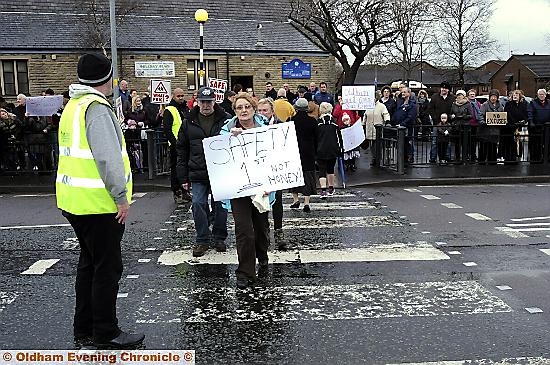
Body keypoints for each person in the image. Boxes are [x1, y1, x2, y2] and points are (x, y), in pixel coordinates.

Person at [56, 53, 144, 349]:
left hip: (74, 201)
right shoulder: (97, 108)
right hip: (98, 203)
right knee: (107, 268)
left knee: (89, 265)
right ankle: (106, 331)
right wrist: (121, 198)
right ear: (108, 78)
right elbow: (108, 158)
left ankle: (84, 329)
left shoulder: (73, 105)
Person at [219, 92, 275, 289]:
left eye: (247, 107)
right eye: (239, 107)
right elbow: (220, 158)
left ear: (253, 109)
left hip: (261, 187)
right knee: (244, 230)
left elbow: (274, 159)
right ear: (234, 111)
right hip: (238, 188)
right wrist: (230, 140)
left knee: (260, 228)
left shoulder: (266, 129)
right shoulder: (226, 131)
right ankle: (245, 272)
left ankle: (262, 254)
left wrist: (271, 184)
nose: (243, 111)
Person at [176, 86, 230, 257]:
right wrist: (182, 177)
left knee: (221, 206)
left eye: (209, 102)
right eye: (203, 102)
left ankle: (219, 237)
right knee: (198, 203)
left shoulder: (226, 120)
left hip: (220, 172)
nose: (206, 105)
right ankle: (202, 239)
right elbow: (181, 151)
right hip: (197, 171)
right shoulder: (187, 122)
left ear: (214, 101)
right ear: (197, 102)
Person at [256, 98, 285, 249]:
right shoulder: (254, 126)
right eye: (259, 111)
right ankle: (264, 232)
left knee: (277, 201)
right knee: (262, 201)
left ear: (272, 111)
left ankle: (279, 232)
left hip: (276, 169)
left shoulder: (280, 125)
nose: (261, 114)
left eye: (265, 111)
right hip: (260, 171)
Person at [289, 98, 317, 212]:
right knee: (308, 176)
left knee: (295, 175)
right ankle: (306, 202)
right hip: (309, 151)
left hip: (294, 151)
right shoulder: (312, 121)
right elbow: (316, 137)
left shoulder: (291, 120)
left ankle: (295, 199)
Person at [163, 88, 189, 204]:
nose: (181, 98)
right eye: (178, 96)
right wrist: (175, 143)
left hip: (185, 144)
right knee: (175, 169)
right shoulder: (169, 110)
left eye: (182, 96)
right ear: (173, 96)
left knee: (185, 169)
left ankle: (185, 191)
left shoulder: (185, 108)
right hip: (176, 145)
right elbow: (167, 129)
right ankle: (177, 192)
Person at [316, 102, 343, 198]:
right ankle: (331, 187)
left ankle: (323, 190)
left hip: (320, 149)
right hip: (333, 149)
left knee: (322, 170)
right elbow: (339, 138)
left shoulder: (318, 123)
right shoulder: (334, 123)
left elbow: (315, 138)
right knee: (330, 169)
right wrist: (341, 149)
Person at [428, 81, 455, 163]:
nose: (444, 90)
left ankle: (447, 157)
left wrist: (450, 118)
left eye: (446, 88)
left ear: (448, 90)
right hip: (437, 123)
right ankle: (433, 158)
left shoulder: (452, 98)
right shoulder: (434, 97)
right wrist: (435, 118)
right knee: (435, 141)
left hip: (448, 124)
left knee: (447, 142)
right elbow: (430, 109)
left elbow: (454, 109)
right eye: (443, 88)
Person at [363, 90, 390, 165]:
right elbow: (365, 115)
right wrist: (363, 123)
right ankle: (374, 158)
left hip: (377, 129)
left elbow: (386, 114)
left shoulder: (381, 106)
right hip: (369, 128)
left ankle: (377, 158)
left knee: (377, 145)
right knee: (371, 145)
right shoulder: (368, 106)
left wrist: (387, 121)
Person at [391, 87, 417, 163]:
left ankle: (409, 158)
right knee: (400, 144)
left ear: (409, 93)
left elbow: (411, 117)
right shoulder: (399, 103)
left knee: (407, 143)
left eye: (405, 92)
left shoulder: (412, 104)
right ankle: (402, 159)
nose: (403, 93)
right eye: (402, 92)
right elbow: (396, 113)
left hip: (407, 128)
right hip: (398, 126)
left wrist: (402, 124)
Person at [478, 89, 504, 163]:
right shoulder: (485, 105)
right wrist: (482, 122)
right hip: (485, 130)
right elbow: (480, 115)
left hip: (495, 130)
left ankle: (492, 161)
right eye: (492, 96)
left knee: (493, 147)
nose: (493, 98)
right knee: (484, 147)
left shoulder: (500, 106)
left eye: (495, 97)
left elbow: (502, 115)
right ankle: (482, 162)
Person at [502, 89, 528, 163]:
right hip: (510, 126)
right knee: (509, 142)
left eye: (516, 95)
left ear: (520, 96)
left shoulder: (524, 104)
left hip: (520, 126)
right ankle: (508, 158)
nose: (515, 96)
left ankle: (517, 157)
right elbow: (507, 114)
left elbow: (526, 114)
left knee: (519, 142)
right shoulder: (508, 104)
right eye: (513, 95)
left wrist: (523, 121)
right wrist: (513, 123)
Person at [527, 89, 550, 162]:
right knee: (536, 145)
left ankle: (547, 159)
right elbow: (530, 113)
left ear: (545, 95)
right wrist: (531, 122)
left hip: (547, 128)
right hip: (536, 128)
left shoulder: (549, 102)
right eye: (540, 94)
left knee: (547, 144)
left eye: (543, 94)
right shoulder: (533, 103)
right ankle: (536, 159)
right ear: (537, 95)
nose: (542, 95)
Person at [450, 90, 472, 161]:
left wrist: (463, 116)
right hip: (456, 126)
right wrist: (451, 116)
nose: (459, 96)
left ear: (464, 96)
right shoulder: (454, 104)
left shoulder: (468, 104)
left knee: (465, 143)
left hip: (465, 126)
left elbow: (471, 115)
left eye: (461, 95)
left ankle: (465, 157)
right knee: (456, 143)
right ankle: (457, 157)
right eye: (458, 95)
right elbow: (450, 114)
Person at [467, 89, 482, 161]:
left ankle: (473, 155)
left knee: (474, 141)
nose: (472, 95)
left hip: (476, 124)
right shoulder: (466, 103)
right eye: (471, 94)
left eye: (473, 94)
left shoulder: (478, 103)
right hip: (468, 124)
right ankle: (468, 155)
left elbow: (480, 112)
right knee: (468, 141)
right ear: (468, 95)